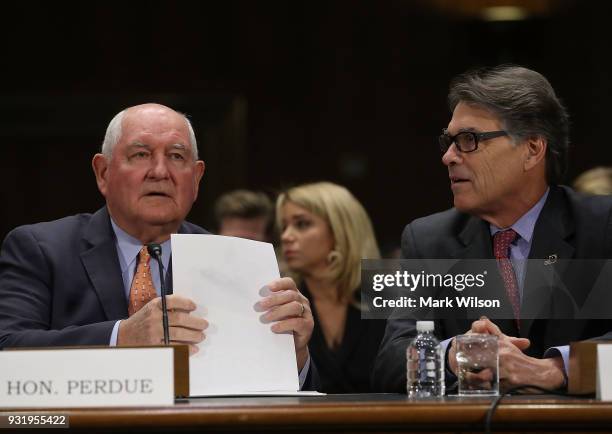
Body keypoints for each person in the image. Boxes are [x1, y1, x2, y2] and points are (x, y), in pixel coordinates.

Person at [0, 103, 314, 385]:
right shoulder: (39, 248)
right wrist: (121, 337)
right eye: (141, 154)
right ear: (103, 173)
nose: (160, 172)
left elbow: (267, 384)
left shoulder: (231, 259)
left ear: (197, 178)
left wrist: (292, 354)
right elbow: (8, 348)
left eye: (177, 156)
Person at [373, 65, 612, 393]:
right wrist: (455, 354)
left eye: (468, 140)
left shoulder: (601, 225)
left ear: (531, 149)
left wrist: (552, 370)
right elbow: (388, 361)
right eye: (449, 141)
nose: (448, 156)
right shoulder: (428, 240)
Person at [277, 182, 386, 393]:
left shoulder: (388, 295)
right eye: (283, 227)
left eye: (302, 224)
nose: (286, 236)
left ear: (341, 230)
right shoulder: (283, 301)